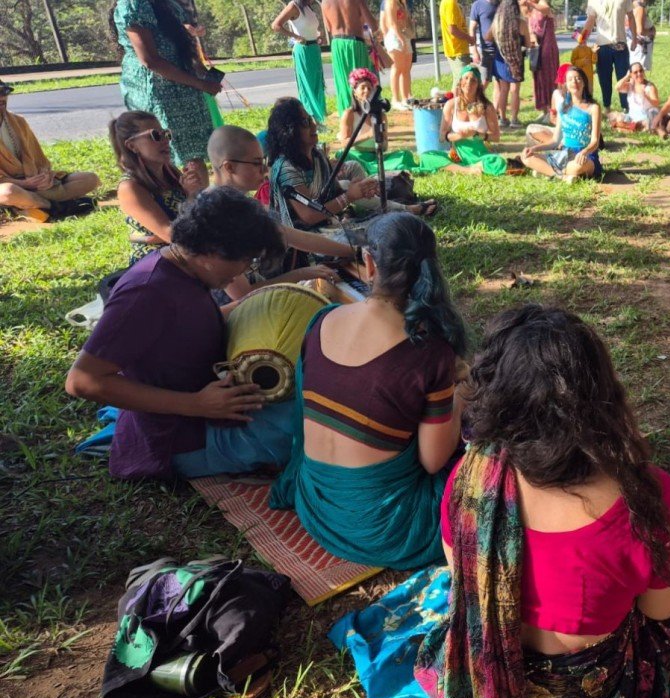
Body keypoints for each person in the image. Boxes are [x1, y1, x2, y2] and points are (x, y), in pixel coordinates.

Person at [415, 304, 670, 698]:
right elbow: (660, 609)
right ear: (601, 398)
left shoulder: (471, 479)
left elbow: (461, 571)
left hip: (484, 674)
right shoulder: (644, 497)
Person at [269, 212, 468, 569]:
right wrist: (463, 394)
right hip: (389, 531)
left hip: (315, 505)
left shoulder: (322, 320)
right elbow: (433, 461)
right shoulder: (429, 352)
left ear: (370, 263)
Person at [65, 187, 292, 482]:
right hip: (181, 439)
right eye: (246, 260)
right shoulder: (146, 292)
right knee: (312, 420)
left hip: (209, 412)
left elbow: (185, 326)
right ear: (211, 249)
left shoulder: (184, 269)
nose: (244, 272)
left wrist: (258, 305)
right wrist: (197, 404)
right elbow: (82, 381)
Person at [207, 125, 353, 301]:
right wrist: (302, 274)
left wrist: (354, 252)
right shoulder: (214, 215)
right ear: (229, 167)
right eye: (256, 163)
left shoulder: (241, 203)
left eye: (263, 161)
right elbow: (242, 295)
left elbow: (290, 236)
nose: (264, 170)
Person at [265, 97, 430, 232]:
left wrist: (360, 189)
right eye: (305, 122)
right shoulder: (286, 167)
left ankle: (406, 211)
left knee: (389, 227)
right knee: (381, 233)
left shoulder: (317, 157)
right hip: (301, 241)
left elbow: (333, 192)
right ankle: (407, 211)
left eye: (311, 119)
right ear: (290, 130)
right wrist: (349, 196)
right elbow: (308, 216)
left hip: (325, 225)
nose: (314, 125)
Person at [111, 0, 220, 175]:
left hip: (185, 87)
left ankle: (196, 199)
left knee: (193, 155)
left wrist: (199, 70)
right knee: (165, 153)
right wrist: (200, 83)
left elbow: (170, 36)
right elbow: (150, 60)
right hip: (160, 90)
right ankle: (178, 198)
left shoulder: (166, 3)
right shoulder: (134, 4)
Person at [110, 111, 208, 264]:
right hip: (158, 264)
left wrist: (198, 193)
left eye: (166, 134)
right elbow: (172, 236)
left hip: (191, 252)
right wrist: (191, 197)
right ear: (132, 146)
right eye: (155, 135)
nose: (165, 141)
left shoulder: (171, 173)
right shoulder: (130, 187)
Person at [0, 79, 99, 221]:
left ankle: (27, 206)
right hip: (11, 186)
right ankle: (55, 207)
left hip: (32, 182)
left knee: (90, 179)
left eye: (4, 92)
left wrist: (44, 176)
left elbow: (39, 159)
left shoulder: (18, 121)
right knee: (7, 192)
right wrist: (24, 184)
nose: (2, 97)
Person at [521, 65, 602, 181]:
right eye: (570, 79)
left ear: (584, 82)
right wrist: (533, 148)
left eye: (578, 78)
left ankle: (547, 172)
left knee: (576, 168)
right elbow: (555, 141)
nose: (574, 82)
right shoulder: (563, 108)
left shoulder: (593, 107)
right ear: (566, 85)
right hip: (565, 155)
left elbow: (595, 141)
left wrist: (584, 152)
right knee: (527, 158)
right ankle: (563, 177)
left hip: (585, 156)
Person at [272, 0, 329, 128]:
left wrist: (318, 36)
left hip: (314, 48)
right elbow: (276, 25)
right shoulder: (294, 6)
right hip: (303, 49)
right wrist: (295, 37)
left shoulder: (309, 7)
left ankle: (318, 119)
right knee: (307, 84)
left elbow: (310, 28)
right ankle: (310, 120)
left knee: (317, 84)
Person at [321, 0, 381, 115]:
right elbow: (373, 26)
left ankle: (346, 115)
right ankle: (363, 115)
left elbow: (328, 28)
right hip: (355, 43)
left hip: (337, 44)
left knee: (343, 83)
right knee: (362, 81)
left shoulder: (325, 2)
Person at [582, 0, 636, 112]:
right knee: (604, 79)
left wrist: (635, 38)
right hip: (602, 46)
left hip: (620, 44)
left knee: (624, 77)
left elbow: (631, 17)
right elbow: (591, 20)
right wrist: (582, 39)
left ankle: (626, 108)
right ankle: (607, 107)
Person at [487, 0, 530, 126]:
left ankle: (502, 119)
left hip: (500, 59)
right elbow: (527, 43)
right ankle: (514, 120)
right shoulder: (521, 23)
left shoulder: (497, 23)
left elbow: (487, 37)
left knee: (503, 89)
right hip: (516, 60)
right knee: (515, 90)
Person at [526, 0, 560, 125]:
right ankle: (544, 109)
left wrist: (531, 3)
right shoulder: (531, 10)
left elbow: (545, 9)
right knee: (539, 79)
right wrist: (532, 37)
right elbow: (530, 28)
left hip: (548, 48)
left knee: (549, 78)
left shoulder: (542, 4)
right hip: (537, 49)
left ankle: (552, 111)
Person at [381, 0, 415, 109]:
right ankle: (395, 99)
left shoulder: (402, 3)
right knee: (397, 68)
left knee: (406, 68)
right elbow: (392, 24)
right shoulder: (390, 3)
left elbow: (406, 19)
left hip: (405, 34)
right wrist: (400, 39)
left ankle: (405, 98)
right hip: (395, 37)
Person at [609, 63, 659, 132]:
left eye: (641, 71)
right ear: (631, 74)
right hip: (631, 117)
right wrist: (627, 77)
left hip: (645, 118)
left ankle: (622, 128)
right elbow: (617, 87)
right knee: (612, 115)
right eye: (635, 72)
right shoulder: (630, 85)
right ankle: (631, 128)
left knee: (648, 124)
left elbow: (656, 103)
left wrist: (646, 96)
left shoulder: (650, 86)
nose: (639, 74)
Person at [439, 0, 474, 76]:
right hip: (458, 51)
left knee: (459, 83)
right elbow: (453, 30)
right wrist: (469, 38)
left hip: (457, 50)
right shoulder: (450, 3)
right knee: (463, 83)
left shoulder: (450, 3)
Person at [469, 0, 500, 85]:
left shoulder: (501, 3)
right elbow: (472, 29)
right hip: (486, 51)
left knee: (500, 82)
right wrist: (474, 51)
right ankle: (475, 98)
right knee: (484, 81)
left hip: (501, 50)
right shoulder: (477, 5)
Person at [628, 0, 656, 71]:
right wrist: (652, 31)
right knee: (639, 73)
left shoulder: (631, 6)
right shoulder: (640, 8)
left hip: (635, 45)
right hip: (640, 48)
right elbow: (640, 31)